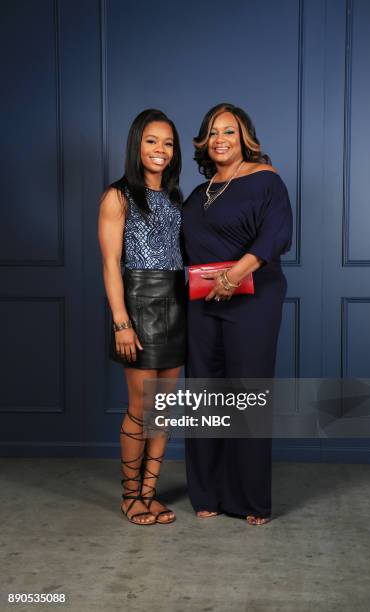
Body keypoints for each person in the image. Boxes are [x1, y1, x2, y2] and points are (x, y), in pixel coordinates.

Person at [182, 103, 293, 525]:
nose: (220, 139)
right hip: (202, 303)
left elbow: (277, 235)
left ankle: (250, 499)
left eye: (229, 131)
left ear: (245, 137)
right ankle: (207, 492)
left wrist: (234, 276)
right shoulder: (199, 192)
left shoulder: (266, 180)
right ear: (203, 142)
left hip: (253, 299)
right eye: (212, 133)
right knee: (206, 394)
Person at [98, 109, 186, 525]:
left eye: (168, 143)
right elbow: (110, 264)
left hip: (176, 299)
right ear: (136, 145)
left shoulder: (174, 196)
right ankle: (129, 496)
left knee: (163, 408)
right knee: (140, 407)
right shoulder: (117, 196)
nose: (160, 150)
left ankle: (149, 494)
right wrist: (121, 321)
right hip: (138, 301)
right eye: (152, 141)